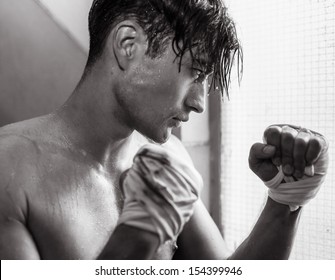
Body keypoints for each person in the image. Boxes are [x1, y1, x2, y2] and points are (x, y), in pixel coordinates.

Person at [0, 0, 329, 260]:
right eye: (196, 74)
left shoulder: (167, 157)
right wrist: (137, 239)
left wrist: (286, 201)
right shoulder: (9, 170)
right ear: (129, 45)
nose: (199, 103)